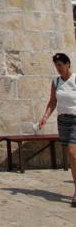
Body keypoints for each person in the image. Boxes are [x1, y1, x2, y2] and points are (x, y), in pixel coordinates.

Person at [38, 52, 76, 206]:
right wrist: (45, 117)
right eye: (56, 66)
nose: (58, 68)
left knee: (73, 153)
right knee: (71, 156)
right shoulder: (56, 82)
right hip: (63, 120)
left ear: (68, 64)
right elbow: (52, 102)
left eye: (60, 65)